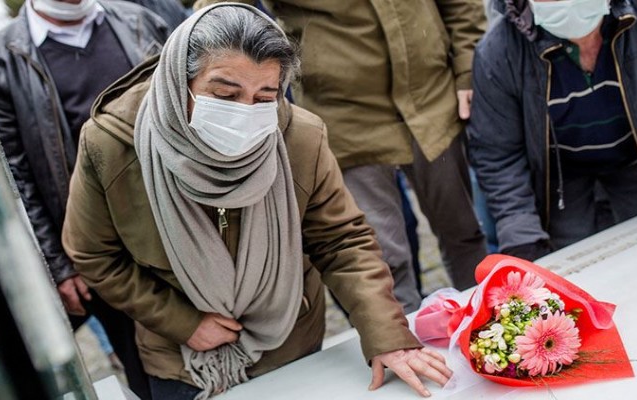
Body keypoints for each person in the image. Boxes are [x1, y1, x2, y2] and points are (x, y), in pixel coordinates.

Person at [61, 4, 453, 399]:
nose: (243, 113)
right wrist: (183, 322)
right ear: (179, 80)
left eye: (265, 95)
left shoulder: (299, 136)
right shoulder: (112, 145)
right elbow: (94, 254)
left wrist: (386, 333)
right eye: (224, 93)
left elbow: (341, 241)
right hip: (180, 362)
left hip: (290, 343)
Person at [194, 0, 489, 314]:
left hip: (434, 101)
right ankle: (404, 351)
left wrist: (468, 65)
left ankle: (493, 330)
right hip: (346, 120)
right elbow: (217, 15)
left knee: (465, 232)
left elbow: (460, 5)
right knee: (380, 260)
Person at [0, 1, 169, 398]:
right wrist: (61, 265)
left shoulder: (137, 20)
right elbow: (16, 177)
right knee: (148, 375)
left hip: (177, 223)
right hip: (104, 253)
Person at [468, 0, 637, 262]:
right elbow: (499, 155)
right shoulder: (498, 52)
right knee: (576, 266)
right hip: (560, 179)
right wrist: (523, 239)